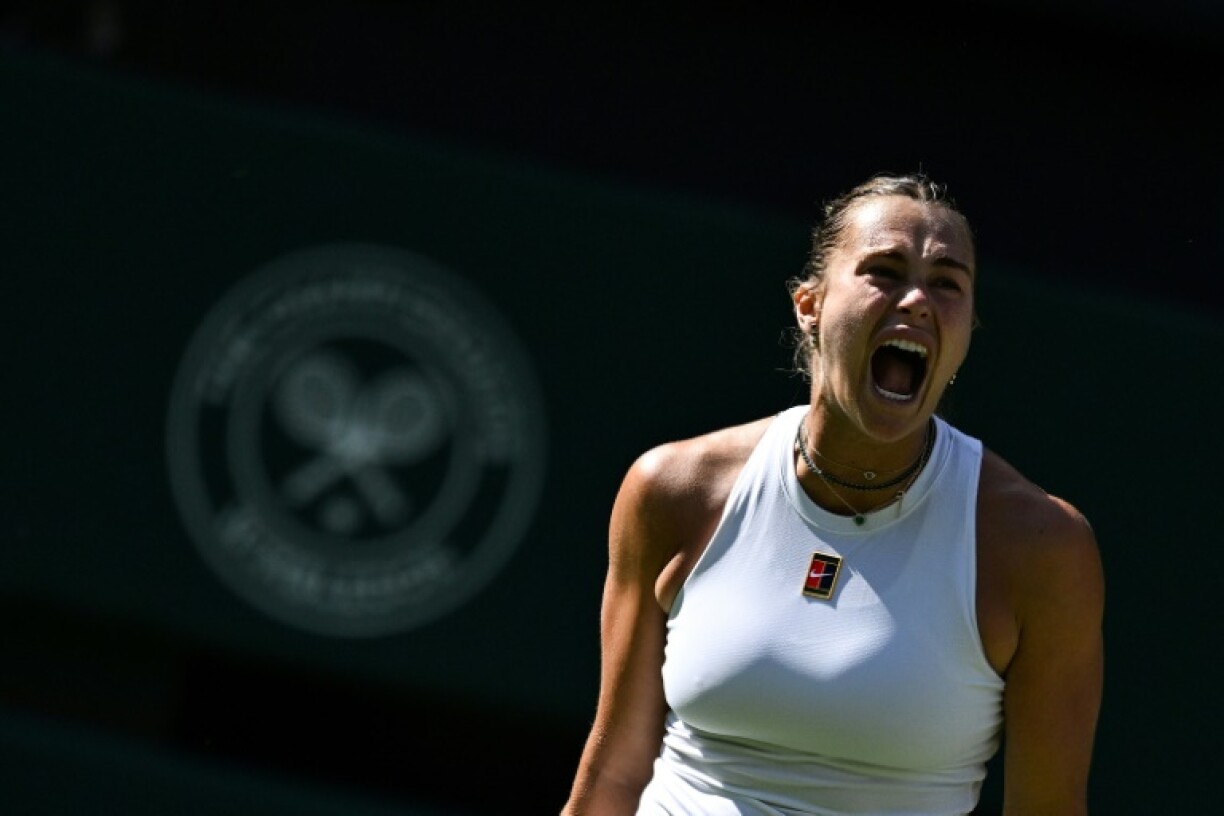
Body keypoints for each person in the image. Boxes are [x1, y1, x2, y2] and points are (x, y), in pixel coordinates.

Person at [560, 172, 1105, 815]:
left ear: (964, 335)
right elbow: (614, 777)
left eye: (947, 283)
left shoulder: (1042, 547)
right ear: (809, 305)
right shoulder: (673, 491)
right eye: (884, 270)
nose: (917, 301)